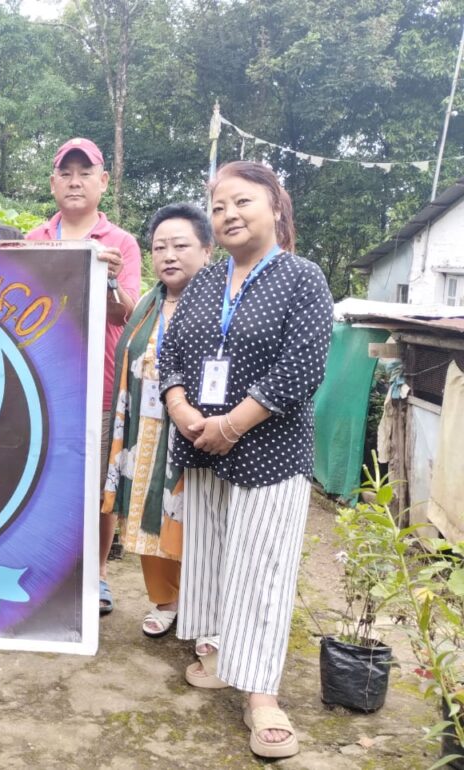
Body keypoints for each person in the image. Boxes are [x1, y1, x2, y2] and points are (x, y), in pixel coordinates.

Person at [158, 161, 333, 759]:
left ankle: (262, 696)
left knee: (261, 569)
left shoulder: (301, 277)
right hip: (203, 444)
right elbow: (173, 350)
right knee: (211, 556)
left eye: (243, 202)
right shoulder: (206, 282)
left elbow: (303, 365)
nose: (230, 214)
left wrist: (233, 424)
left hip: (269, 448)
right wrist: (181, 408)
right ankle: (217, 650)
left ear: (275, 208)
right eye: (220, 205)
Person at [26, 137, 139, 615]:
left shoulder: (121, 243)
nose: (75, 181)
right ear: (53, 182)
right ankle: (46, 568)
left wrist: (109, 279)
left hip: (103, 382)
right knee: (44, 477)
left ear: (102, 181)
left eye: (84, 172)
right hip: (45, 384)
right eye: (66, 173)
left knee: (99, 483)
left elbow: (127, 314)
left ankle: (96, 575)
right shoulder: (34, 240)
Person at [101, 203, 211, 642]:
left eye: (180, 245)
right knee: (150, 516)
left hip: (195, 431)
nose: (169, 255)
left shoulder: (220, 303)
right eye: (159, 247)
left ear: (206, 250)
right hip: (144, 429)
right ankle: (165, 601)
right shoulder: (147, 303)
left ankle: (205, 606)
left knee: (195, 517)